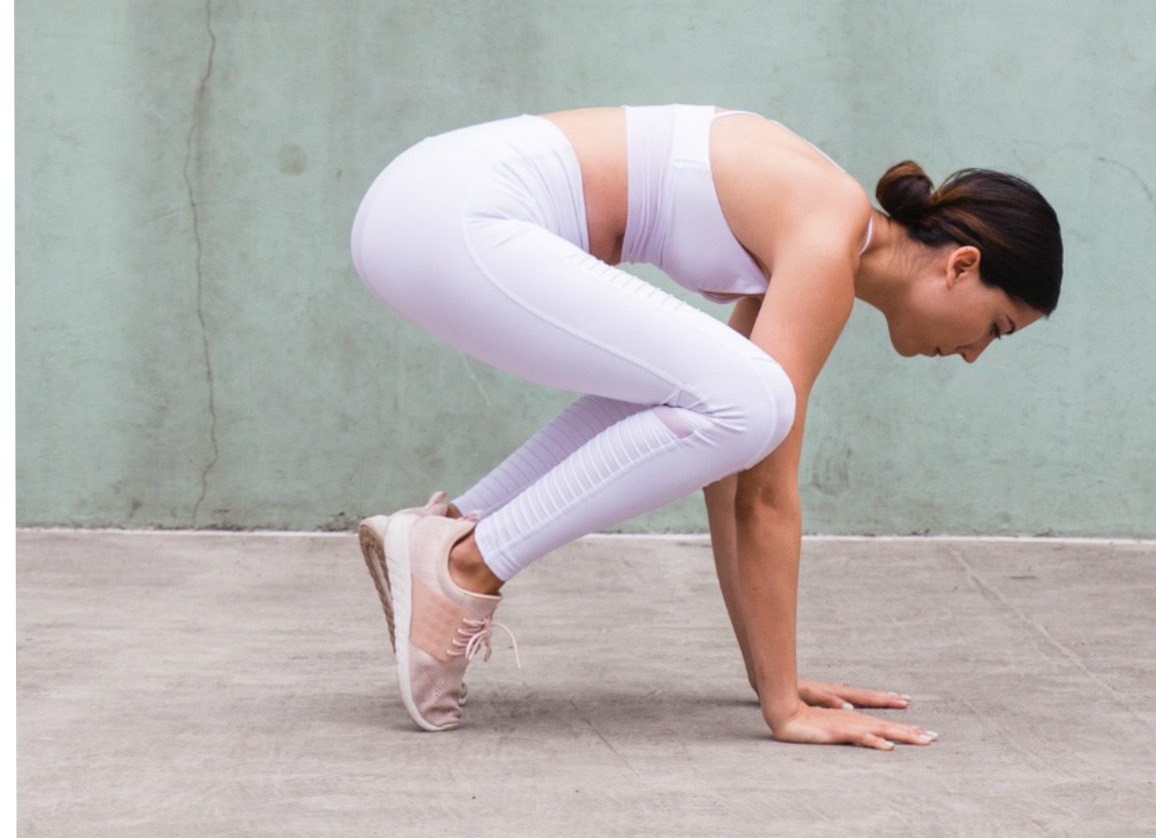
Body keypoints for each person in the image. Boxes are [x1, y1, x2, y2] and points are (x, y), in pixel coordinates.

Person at [347, 104, 1060, 748]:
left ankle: (457, 527)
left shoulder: (823, 231)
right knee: (753, 400)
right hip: (454, 216)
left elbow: (730, 472)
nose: (972, 354)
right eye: (995, 328)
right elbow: (767, 494)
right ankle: (465, 562)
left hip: (427, 205)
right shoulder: (827, 225)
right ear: (960, 267)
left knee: (716, 392)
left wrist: (772, 680)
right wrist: (786, 711)